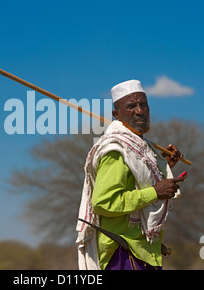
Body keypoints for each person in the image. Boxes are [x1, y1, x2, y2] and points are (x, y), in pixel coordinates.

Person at [76, 79, 187, 270]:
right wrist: (155, 191)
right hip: (122, 253)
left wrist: (164, 167)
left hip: (140, 251)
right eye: (131, 106)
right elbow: (103, 202)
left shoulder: (142, 148)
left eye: (143, 104)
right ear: (116, 115)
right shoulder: (115, 150)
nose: (139, 111)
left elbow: (138, 185)